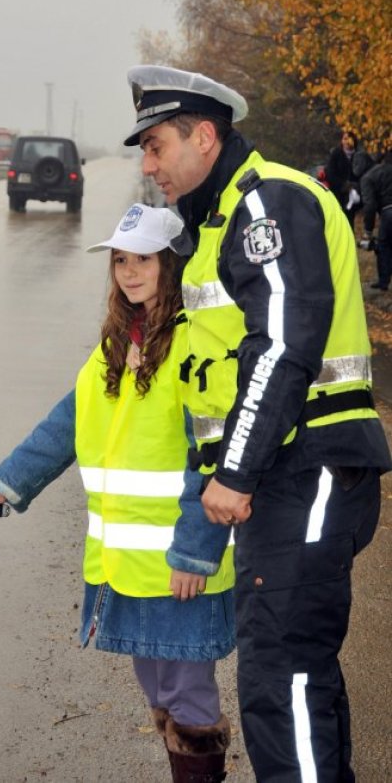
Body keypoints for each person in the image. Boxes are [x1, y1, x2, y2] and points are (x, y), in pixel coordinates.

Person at [122, 65, 391, 783]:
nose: (148, 166)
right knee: (299, 671)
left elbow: (283, 342)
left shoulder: (265, 200)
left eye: (155, 146)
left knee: (281, 680)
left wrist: (233, 471)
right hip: (288, 474)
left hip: (306, 466)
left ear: (204, 136)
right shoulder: (217, 220)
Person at [0, 203, 236, 783]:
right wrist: (3, 485)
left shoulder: (194, 345)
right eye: (118, 261)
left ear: (171, 263)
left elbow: (208, 456)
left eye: (142, 259)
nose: (129, 272)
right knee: (159, 691)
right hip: (125, 565)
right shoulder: (114, 347)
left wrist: (195, 551)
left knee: (188, 695)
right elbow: (65, 426)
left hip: (182, 564)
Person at [324, 130, 370, 231]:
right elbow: (331, 174)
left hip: (355, 193)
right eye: (344, 139)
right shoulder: (336, 154)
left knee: (350, 217)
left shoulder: (359, 156)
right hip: (338, 192)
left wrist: (355, 187)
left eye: (349, 139)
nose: (347, 141)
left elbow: (364, 173)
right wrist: (345, 186)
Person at [360, 149, 392, 292]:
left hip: (388, 211)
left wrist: (368, 229)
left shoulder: (367, 178)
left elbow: (370, 205)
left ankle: (384, 281)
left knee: (383, 246)